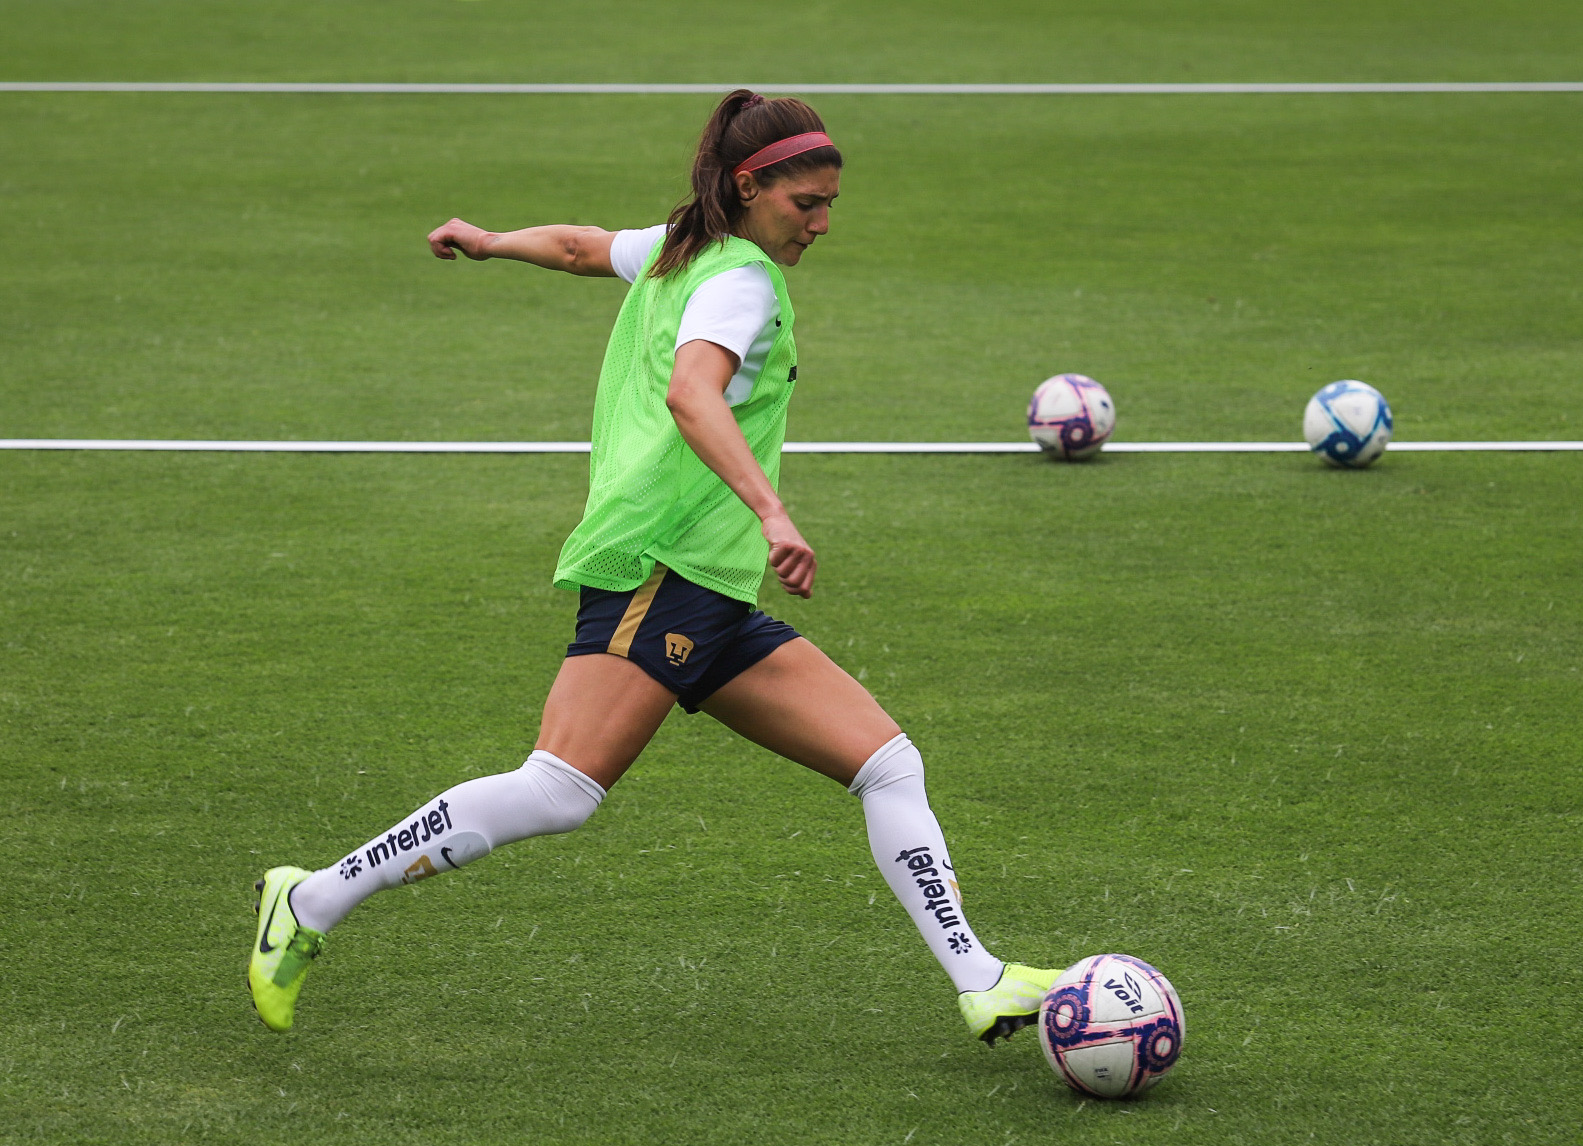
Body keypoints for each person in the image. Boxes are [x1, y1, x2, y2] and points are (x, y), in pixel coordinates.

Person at [247, 90, 1059, 1045]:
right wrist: (772, 509)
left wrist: (492, 237)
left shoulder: (681, 250)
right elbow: (691, 390)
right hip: (662, 563)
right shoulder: (739, 281)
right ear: (751, 187)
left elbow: (583, 246)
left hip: (707, 584)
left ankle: (979, 978)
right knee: (558, 787)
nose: (823, 223)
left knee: (886, 763)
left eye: (832, 202)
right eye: (807, 203)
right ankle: (310, 900)